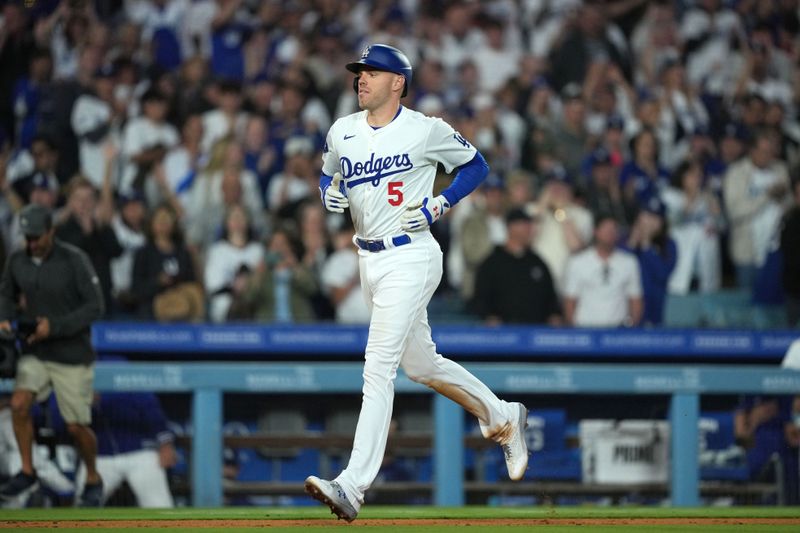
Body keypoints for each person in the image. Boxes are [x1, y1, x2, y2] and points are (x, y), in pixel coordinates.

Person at [304, 44, 528, 522]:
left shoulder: (424, 130)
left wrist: (440, 204)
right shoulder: (342, 131)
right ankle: (503, 417)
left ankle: (352, 486)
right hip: (369, 261)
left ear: (397, 82)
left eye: (371, 72)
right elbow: (327, 178)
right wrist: (328, 194)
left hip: (412, 255)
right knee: (422, 366)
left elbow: (477, 166)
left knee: (377, 366)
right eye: (359, 72)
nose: (361, 79)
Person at [0, 204, 105, 507]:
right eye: (28, 237)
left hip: (72, 354)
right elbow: (6, 293)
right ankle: (28, 470)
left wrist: (55, 326)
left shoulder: (74, 260)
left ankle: (94, 477)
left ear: (51, 232)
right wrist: (5, 316)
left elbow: (95, 306)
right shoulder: (17, 260)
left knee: (75, 426)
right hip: (36, 350)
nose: (31, 243)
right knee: (19, 404)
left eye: (36, 237)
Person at [472, 207, 561, 326]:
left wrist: (554, 315)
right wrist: (488, 316)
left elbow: (551, 298)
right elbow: (480, 298)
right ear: (511, 227)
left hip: (536, 334)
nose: (530, 229)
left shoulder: (537, 262)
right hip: (501, 334)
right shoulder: (492, 263)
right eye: (525, 225)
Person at [563, 214, 644, 327]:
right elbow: (570, 300)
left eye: (613, 229)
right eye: (606, 229)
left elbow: (635, 299)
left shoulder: (629, 262)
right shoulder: (578, 262)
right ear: (595, 231)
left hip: (617, 331)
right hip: (585, 329)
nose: (610, 233)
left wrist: (630, 327)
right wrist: (575, 330)